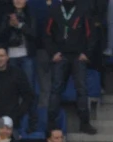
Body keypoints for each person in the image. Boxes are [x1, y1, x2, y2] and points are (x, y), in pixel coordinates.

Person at [44, 0, 97, 134]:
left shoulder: (84, 9)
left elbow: (91, 33)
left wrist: (87, 53)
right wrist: (53, 52)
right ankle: (51, 123)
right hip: (60, 56)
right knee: (56, 89)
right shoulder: (54, 10)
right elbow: (47, 34)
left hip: (78, 56)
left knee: (82, 89)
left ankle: (84, 123)